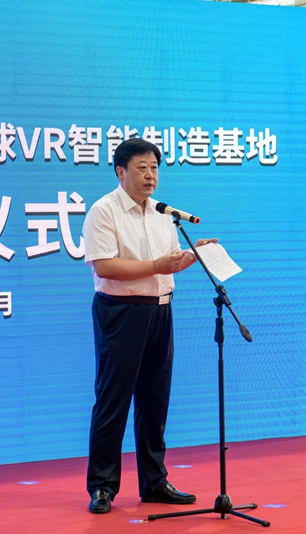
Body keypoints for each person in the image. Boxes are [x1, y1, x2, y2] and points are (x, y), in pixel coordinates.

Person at [82, 138, 217, 514]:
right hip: (120, 312)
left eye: (154, 168)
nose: (150, 175)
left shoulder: (162, 213)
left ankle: (155, 482)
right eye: (141, 168)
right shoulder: (104, 211)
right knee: (113, 401)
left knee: (155, 400)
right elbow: (105, 265)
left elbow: (166, 264)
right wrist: (158, 265)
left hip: (160, 311)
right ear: (120, 171)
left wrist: (192, 256)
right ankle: (103, 486)